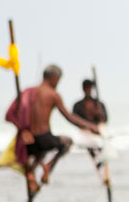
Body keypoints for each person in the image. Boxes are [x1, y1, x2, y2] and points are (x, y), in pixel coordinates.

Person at [15, 65, 99, 195]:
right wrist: (90, 126)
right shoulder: (53, 95)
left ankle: (31, 174)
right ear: (53, 78)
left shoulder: (28, 92)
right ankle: (48, 165)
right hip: (44, 138)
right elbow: (69, 117)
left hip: (28, 139)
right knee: (67, 142)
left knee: (39, 151)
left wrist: (23, 131)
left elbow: (12, 113)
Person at [72, 78, 108, 169]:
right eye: (86, 88)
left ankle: (100, 158)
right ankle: (96, 158)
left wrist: (100, 115)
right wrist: (86, 127)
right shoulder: (78, 105)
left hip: (97, 129)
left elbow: (105, 120)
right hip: (85, 131)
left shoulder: (99, 104)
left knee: (102, 142)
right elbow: (74, 119)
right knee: (89, 143)